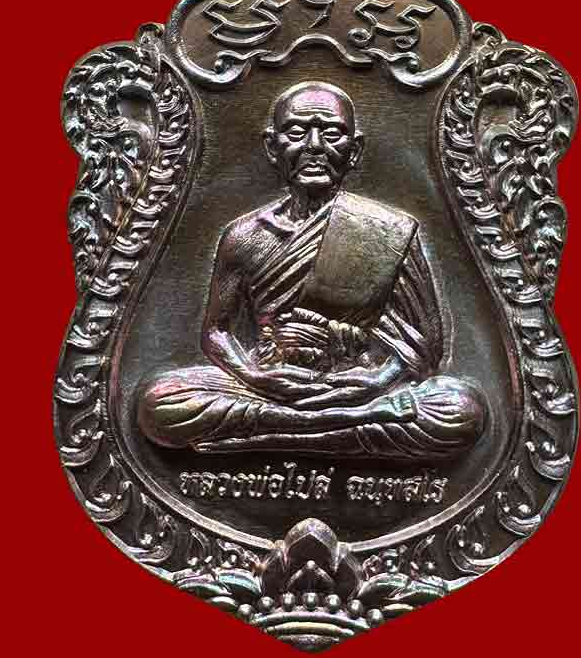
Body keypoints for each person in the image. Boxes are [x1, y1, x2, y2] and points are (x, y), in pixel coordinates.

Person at [137, 81, 485, 461]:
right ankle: (343, 426)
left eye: (332, 134)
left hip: (359, 384)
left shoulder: (388, 229)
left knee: (460, 410)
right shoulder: (245, 235)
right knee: (160, 403)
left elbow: (424, 344)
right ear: (273, 148)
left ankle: (285, 431)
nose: (314, 146)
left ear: (354, 151)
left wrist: (375, 382)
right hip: (270, 385)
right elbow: (217, 332)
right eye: (296, 132)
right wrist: (256, 376)